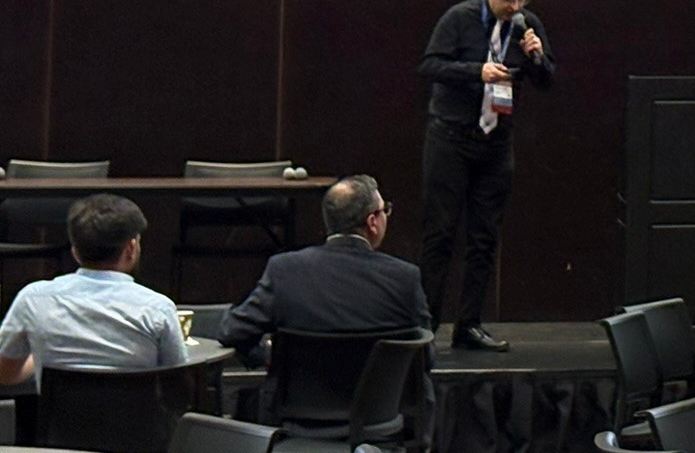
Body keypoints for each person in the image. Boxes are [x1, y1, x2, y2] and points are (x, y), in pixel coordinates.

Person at [417, 0, 555, 353]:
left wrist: (536, 56)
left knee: (484, 237)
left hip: (496, 142)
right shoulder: (458, 18)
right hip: (451, 138)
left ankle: (469, 325)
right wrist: (476, 71)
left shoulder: (527, 25)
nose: (515, 6)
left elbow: (547, 80)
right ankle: (426, 327)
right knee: (441, 233)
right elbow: (430, 66)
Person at [218, 175, 432, 368]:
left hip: (298, 399)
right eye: (385, 209)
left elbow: (231, 332)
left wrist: (266, 356)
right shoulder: (405, 278)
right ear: (372, 222)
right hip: (381, 400)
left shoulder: (284, 271)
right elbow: (426, 358)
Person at [0, 194, 184, 386]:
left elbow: (5, 375)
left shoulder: (33, 299)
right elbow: (177, 382)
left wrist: (39, 357)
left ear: (75, 251)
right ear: (131, 248)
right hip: (136, 406)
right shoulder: (158, 308)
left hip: (61, 407)